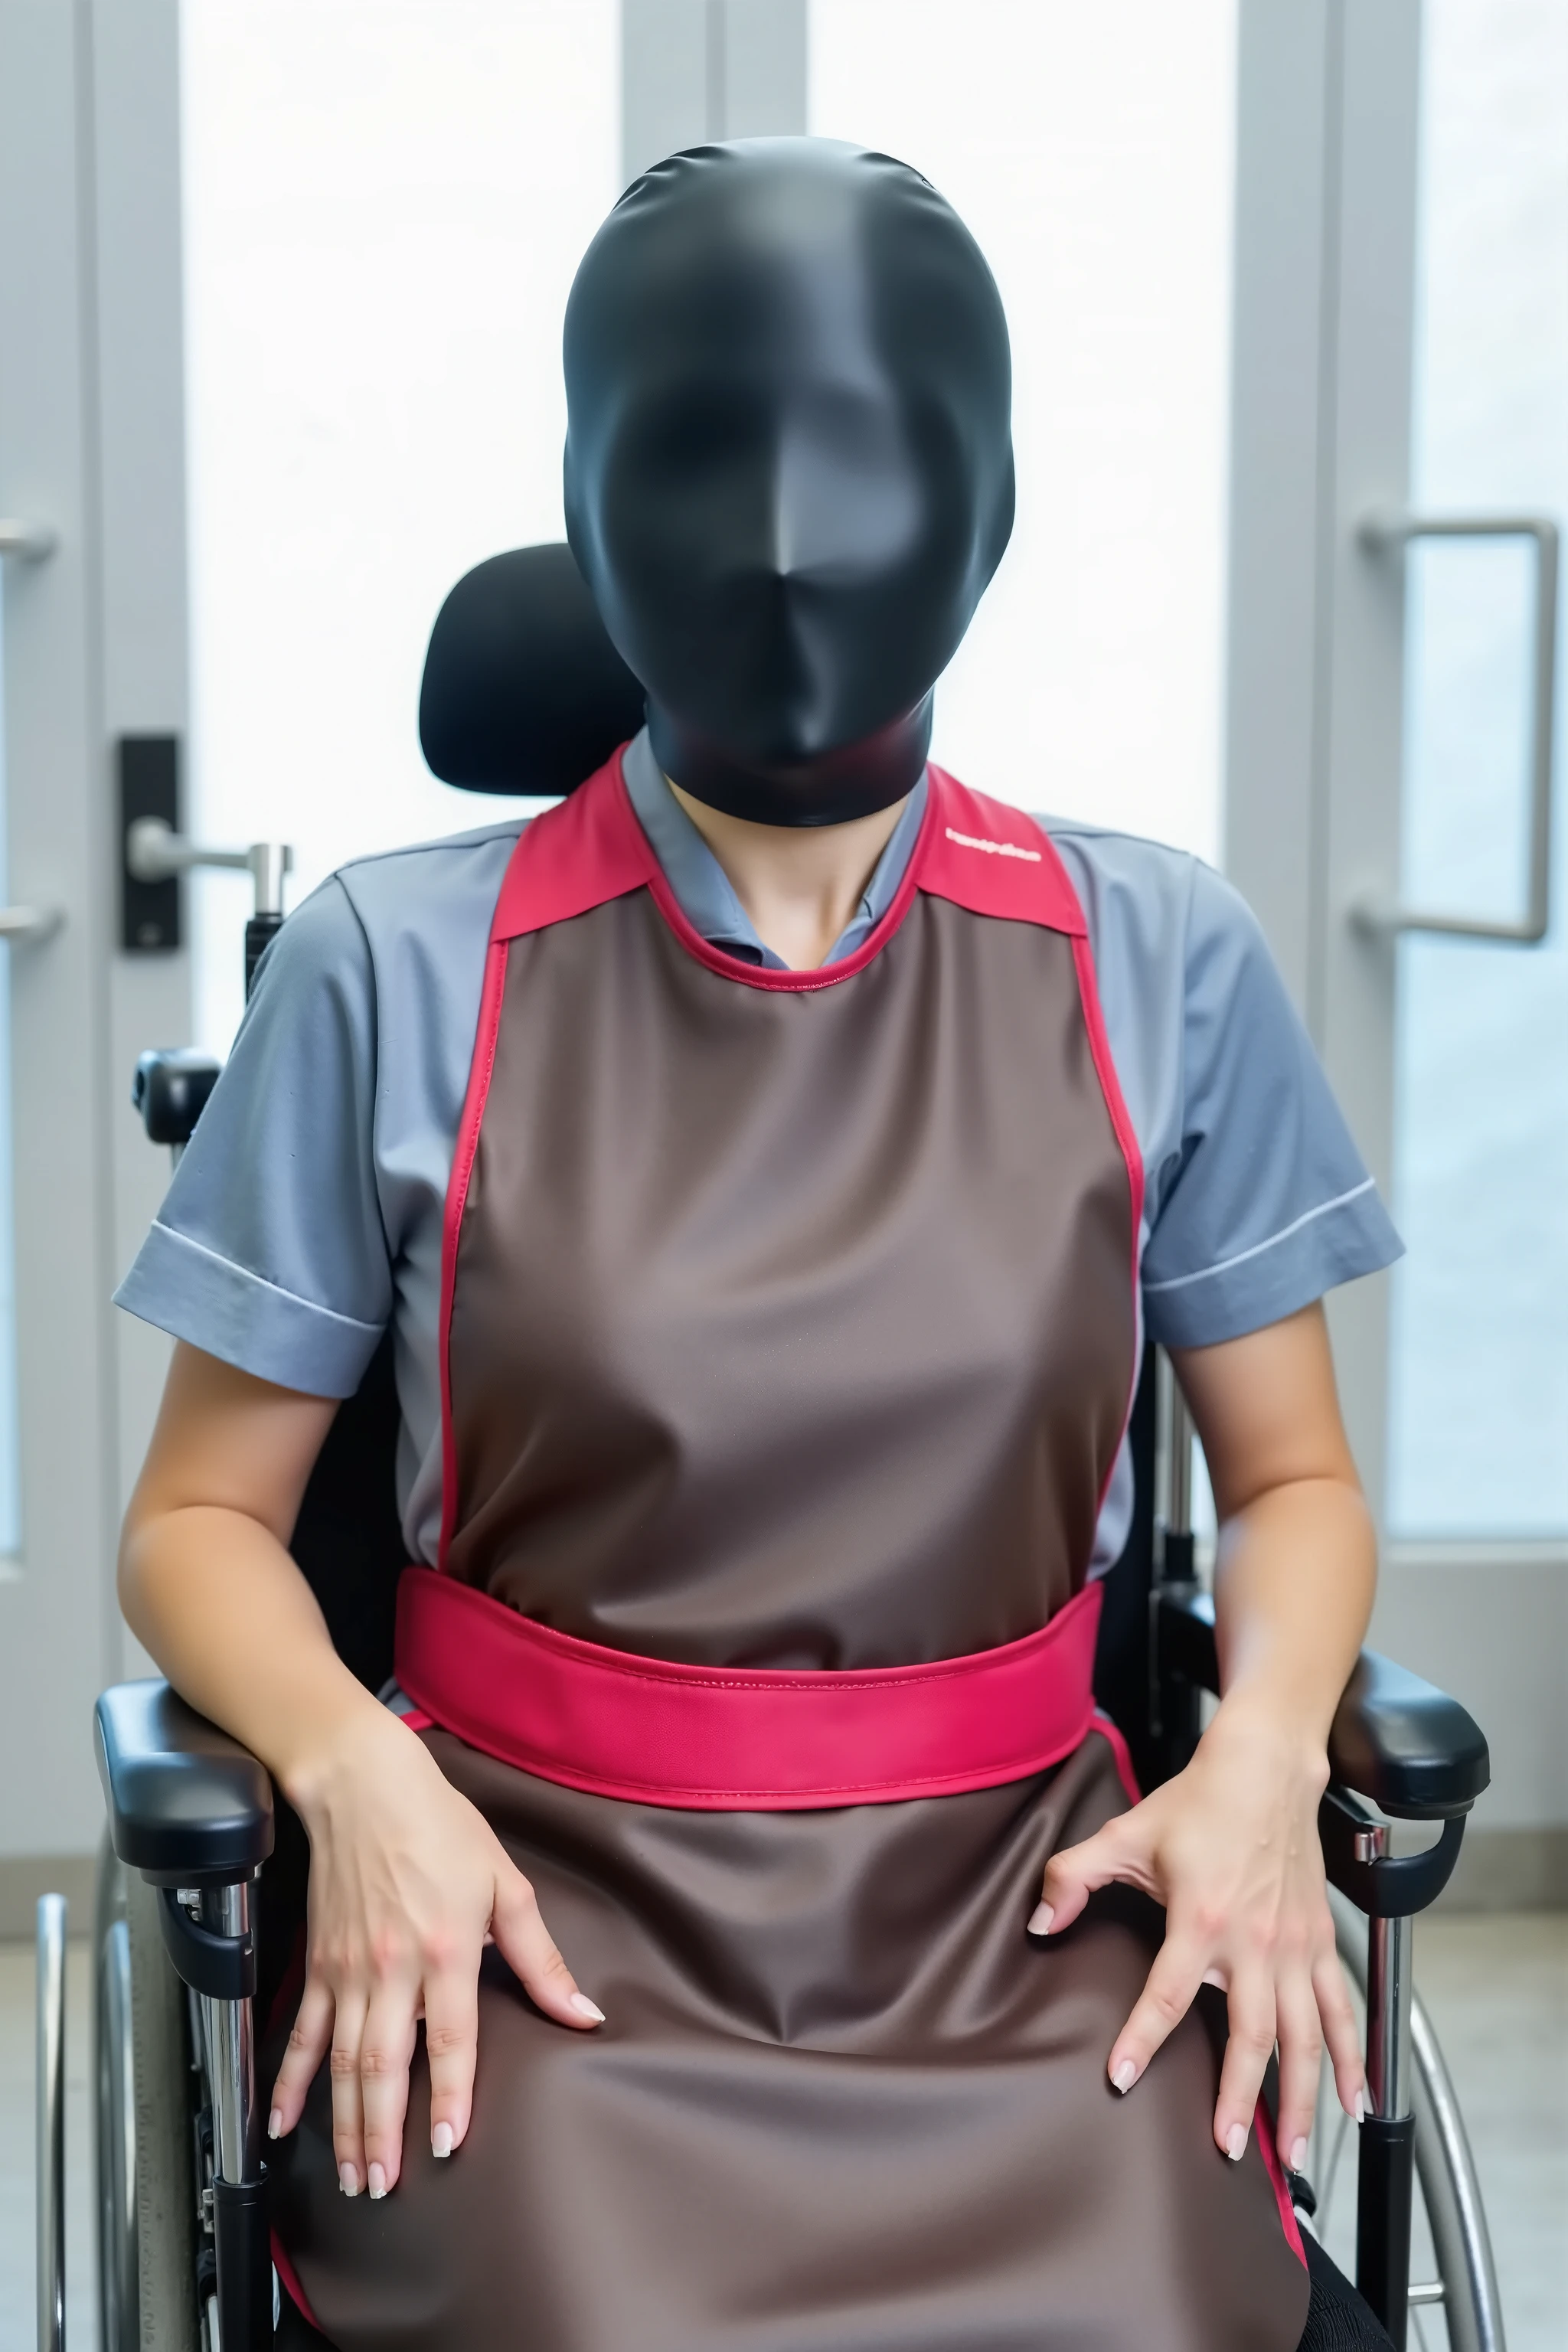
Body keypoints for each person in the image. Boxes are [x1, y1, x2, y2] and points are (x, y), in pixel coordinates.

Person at [116, 140, 1402, 2350]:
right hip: (527, 1913)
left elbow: (1290, 1482)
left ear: (986, 506)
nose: (791, 537)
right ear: (589, 502)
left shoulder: (1156, 954)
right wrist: (352, 1773)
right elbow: (194, 1525)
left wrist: (1266, 1760)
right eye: (702, 447)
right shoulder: (389, 968)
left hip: (1023, 1909)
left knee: (1163, 2297)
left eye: (876, 449)